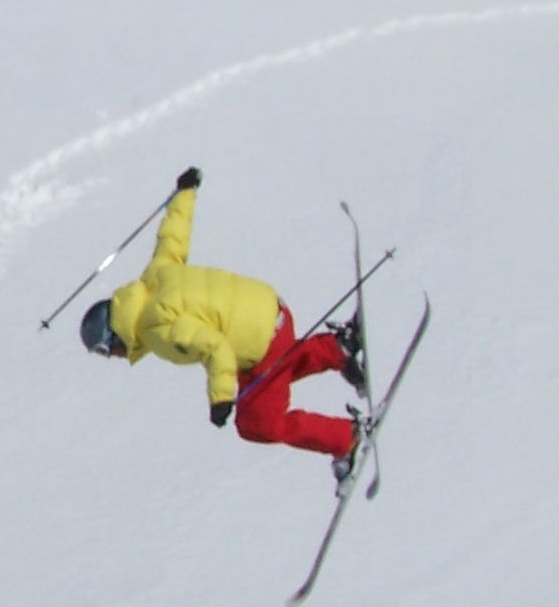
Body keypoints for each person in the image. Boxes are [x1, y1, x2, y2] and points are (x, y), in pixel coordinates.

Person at [79, 169, 368, 481]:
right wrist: (185, 193)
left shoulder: (156, 330)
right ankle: (335, 348)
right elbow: (172, 238)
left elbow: (215, 347)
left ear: (113, 335)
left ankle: (347, 438)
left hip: (262, 342)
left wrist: (220, 400)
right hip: (274, 309)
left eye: (106, 351)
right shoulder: (153, 278)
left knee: (256, 423)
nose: (115, 357)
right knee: (262, 375)